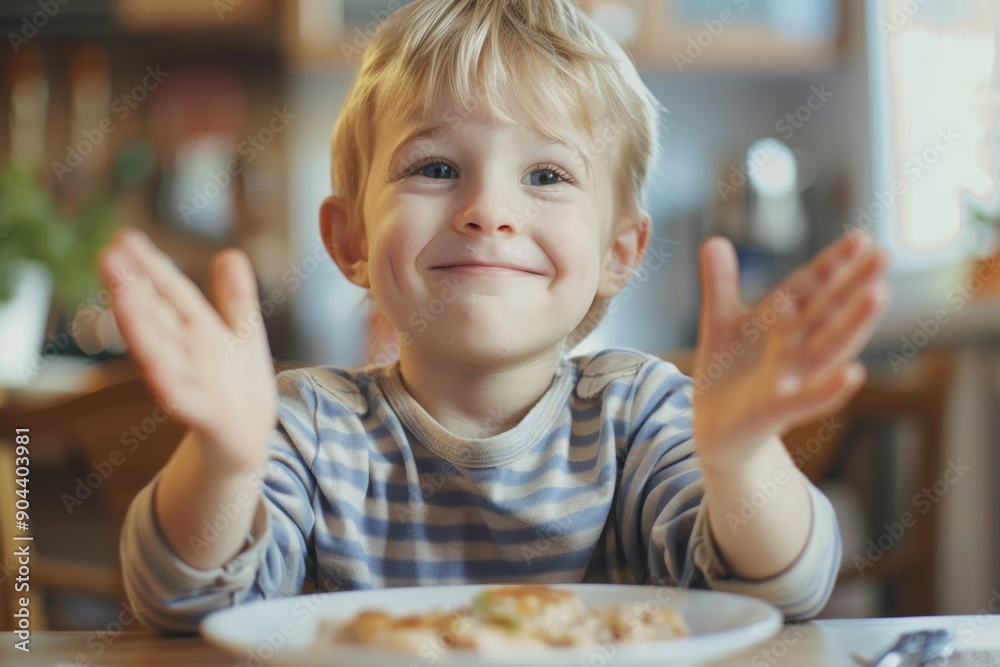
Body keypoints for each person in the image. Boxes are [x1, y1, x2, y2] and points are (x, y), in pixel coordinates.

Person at [101, 0, 889, 633]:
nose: (488, 211)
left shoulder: (642, 414)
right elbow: (179, 601)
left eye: (546, 174)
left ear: (620, 249)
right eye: (436, 167)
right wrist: (225, 464)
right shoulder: (308, 426)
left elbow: (787, 591)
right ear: (351, 238)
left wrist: (743, 459)